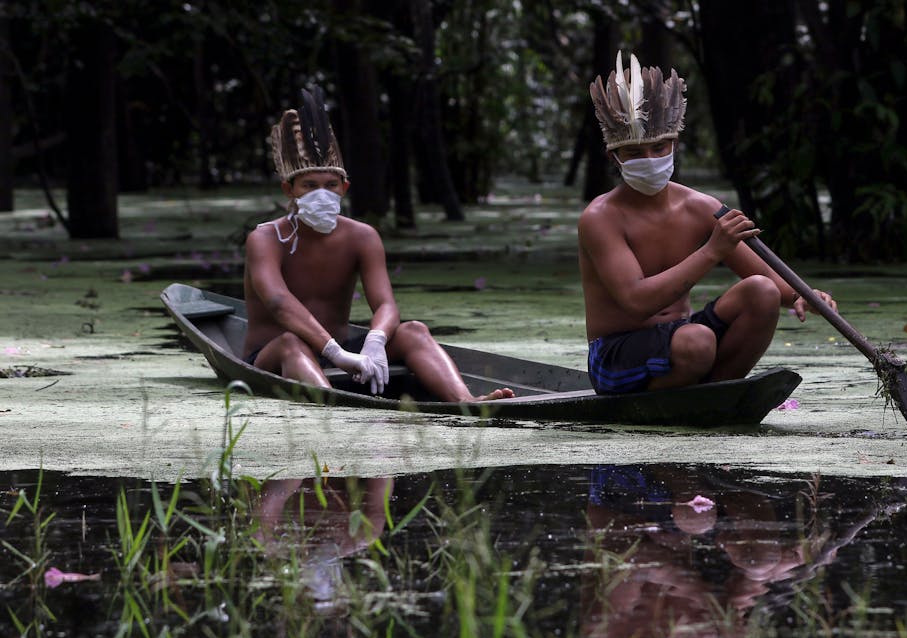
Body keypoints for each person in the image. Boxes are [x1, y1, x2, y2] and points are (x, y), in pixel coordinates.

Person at [579, 52, 837, 395]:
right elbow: (636, 302)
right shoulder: (600, 218)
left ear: (674, 144)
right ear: (615, 157)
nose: (651, 160)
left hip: (681, 339)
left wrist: (804, 295)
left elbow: (768, 277)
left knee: (762, 291)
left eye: (659, 147)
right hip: (617, 356)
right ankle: (671, 398)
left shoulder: (701, 207)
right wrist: (713, 250)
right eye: (635, 153)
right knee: (697, 341)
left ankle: (713, 392)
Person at [243, 86, 512, 402]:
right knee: (291, 342)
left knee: (413, 331)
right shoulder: (265, 238)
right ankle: (337, 408)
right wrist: (336, 352)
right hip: (277, 354)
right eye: (310, 186)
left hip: (341, 353)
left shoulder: (362, 236)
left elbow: (385, 305)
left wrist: (375, 339)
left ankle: (466, 402)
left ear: (344, 187)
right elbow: (278, 302)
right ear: (290, 189)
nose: (322, 193)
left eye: (330, 185)